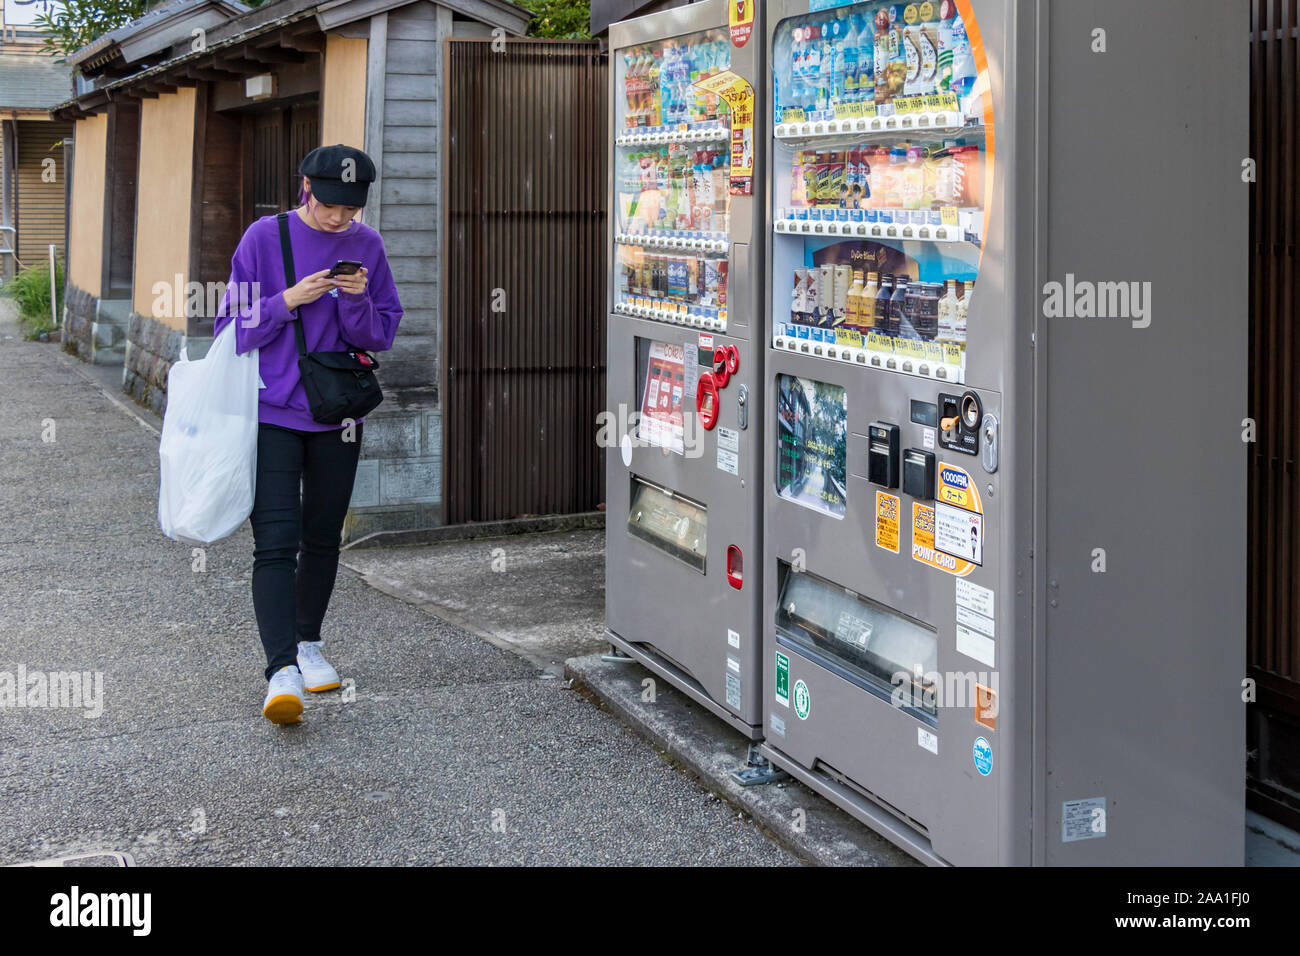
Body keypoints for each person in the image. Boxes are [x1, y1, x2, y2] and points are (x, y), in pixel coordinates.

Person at [213, 145, 403, 725]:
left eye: (351, 209)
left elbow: (382, 333)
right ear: (305, 189)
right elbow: (230, 329)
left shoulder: (367, 246)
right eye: (329, 206)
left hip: (338, 416)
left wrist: (355, 299)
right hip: (272, 413)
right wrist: (286, 302)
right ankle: (280, 671)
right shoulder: (262, 238)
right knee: (276, 542)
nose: (339, 219)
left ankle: (309, 642)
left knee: (322, 536)